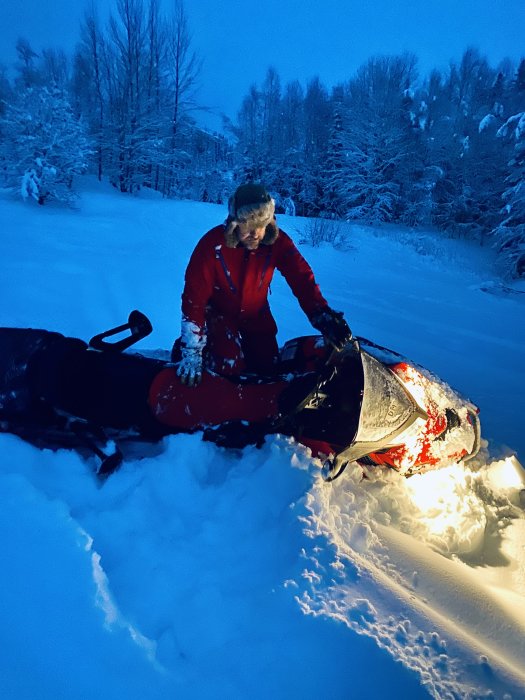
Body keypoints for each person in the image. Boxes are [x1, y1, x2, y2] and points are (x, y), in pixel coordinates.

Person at [175, 183, 351, 385]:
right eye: (248, 227)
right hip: (219, 313)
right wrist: (192, 351)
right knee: (228, 367)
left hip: (256, 313)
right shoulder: (212, 246)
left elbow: (301, 277)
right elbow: (194, 298)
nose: (256, 233)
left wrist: (321, 313)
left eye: (261, 225)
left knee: (268, 368)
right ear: (234, 223)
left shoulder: (277, 242)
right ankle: (200, 353)